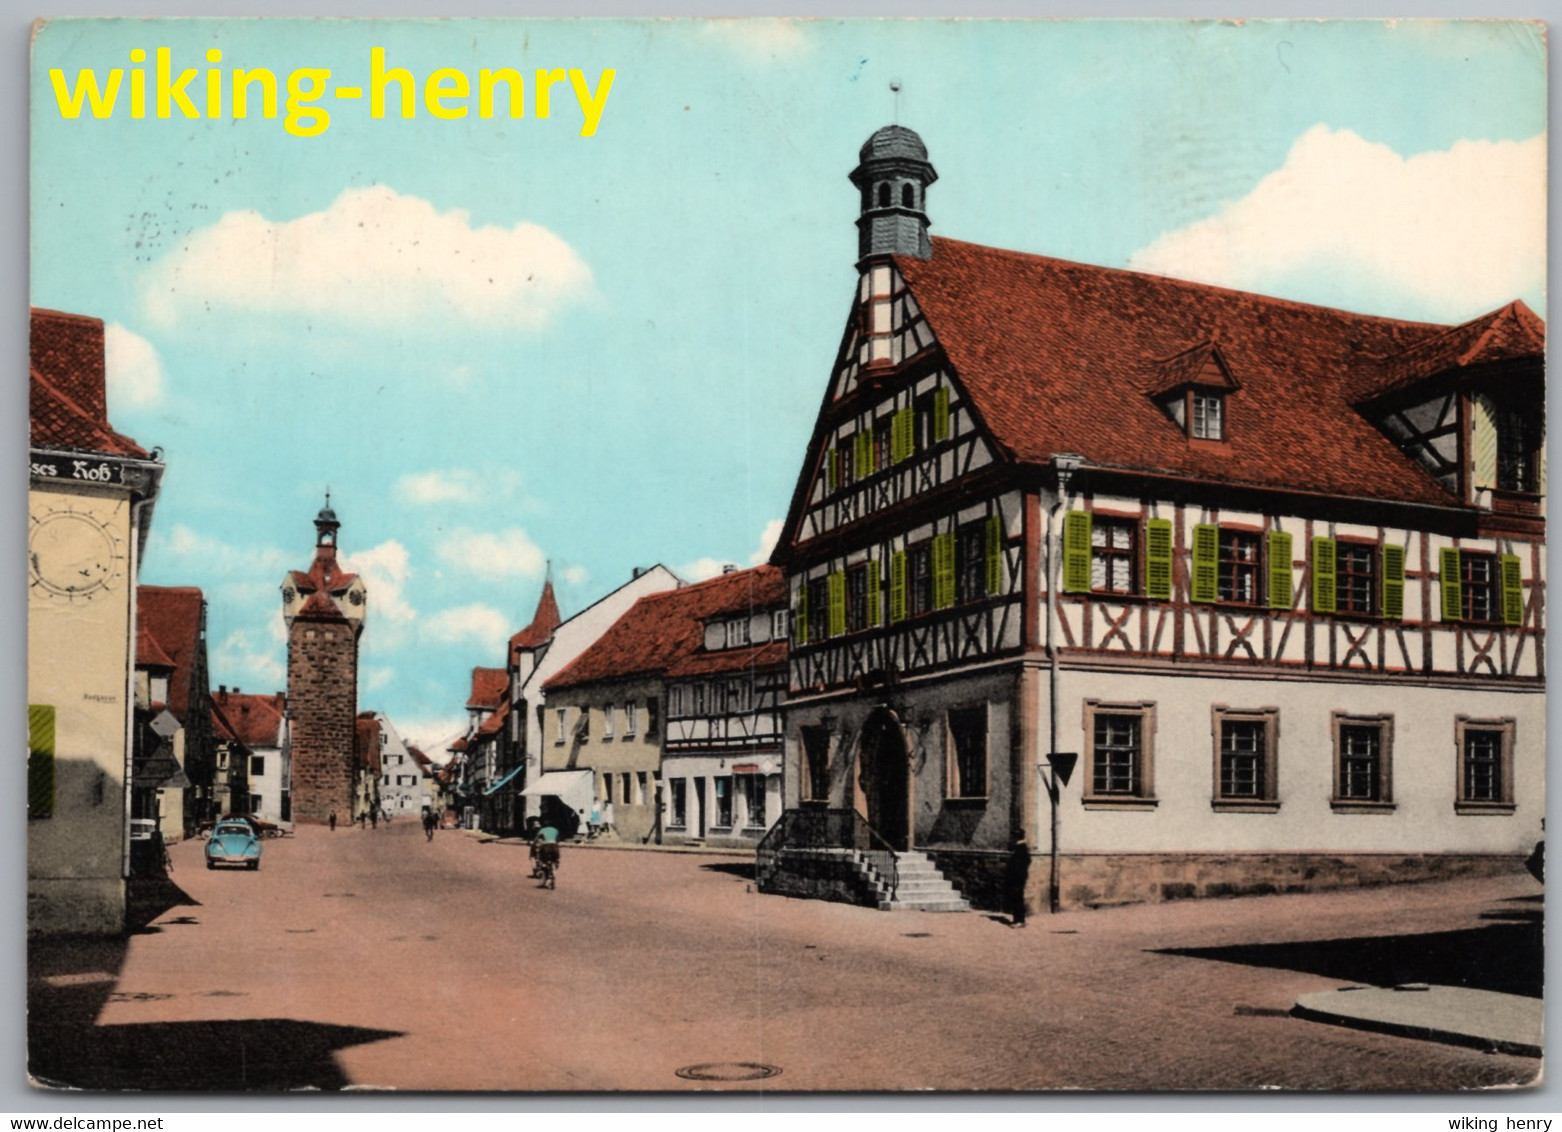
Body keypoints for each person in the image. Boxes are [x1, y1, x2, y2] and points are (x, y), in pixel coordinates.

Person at [1005, 835, 1031, 928]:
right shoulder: (1023, 849)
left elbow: (1018, 866)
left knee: (1017, 899)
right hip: (1019, 878)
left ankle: (1019, 920)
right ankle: (1019, 920)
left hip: (1017, 879)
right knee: (1018, 898)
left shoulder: (1020, 849)